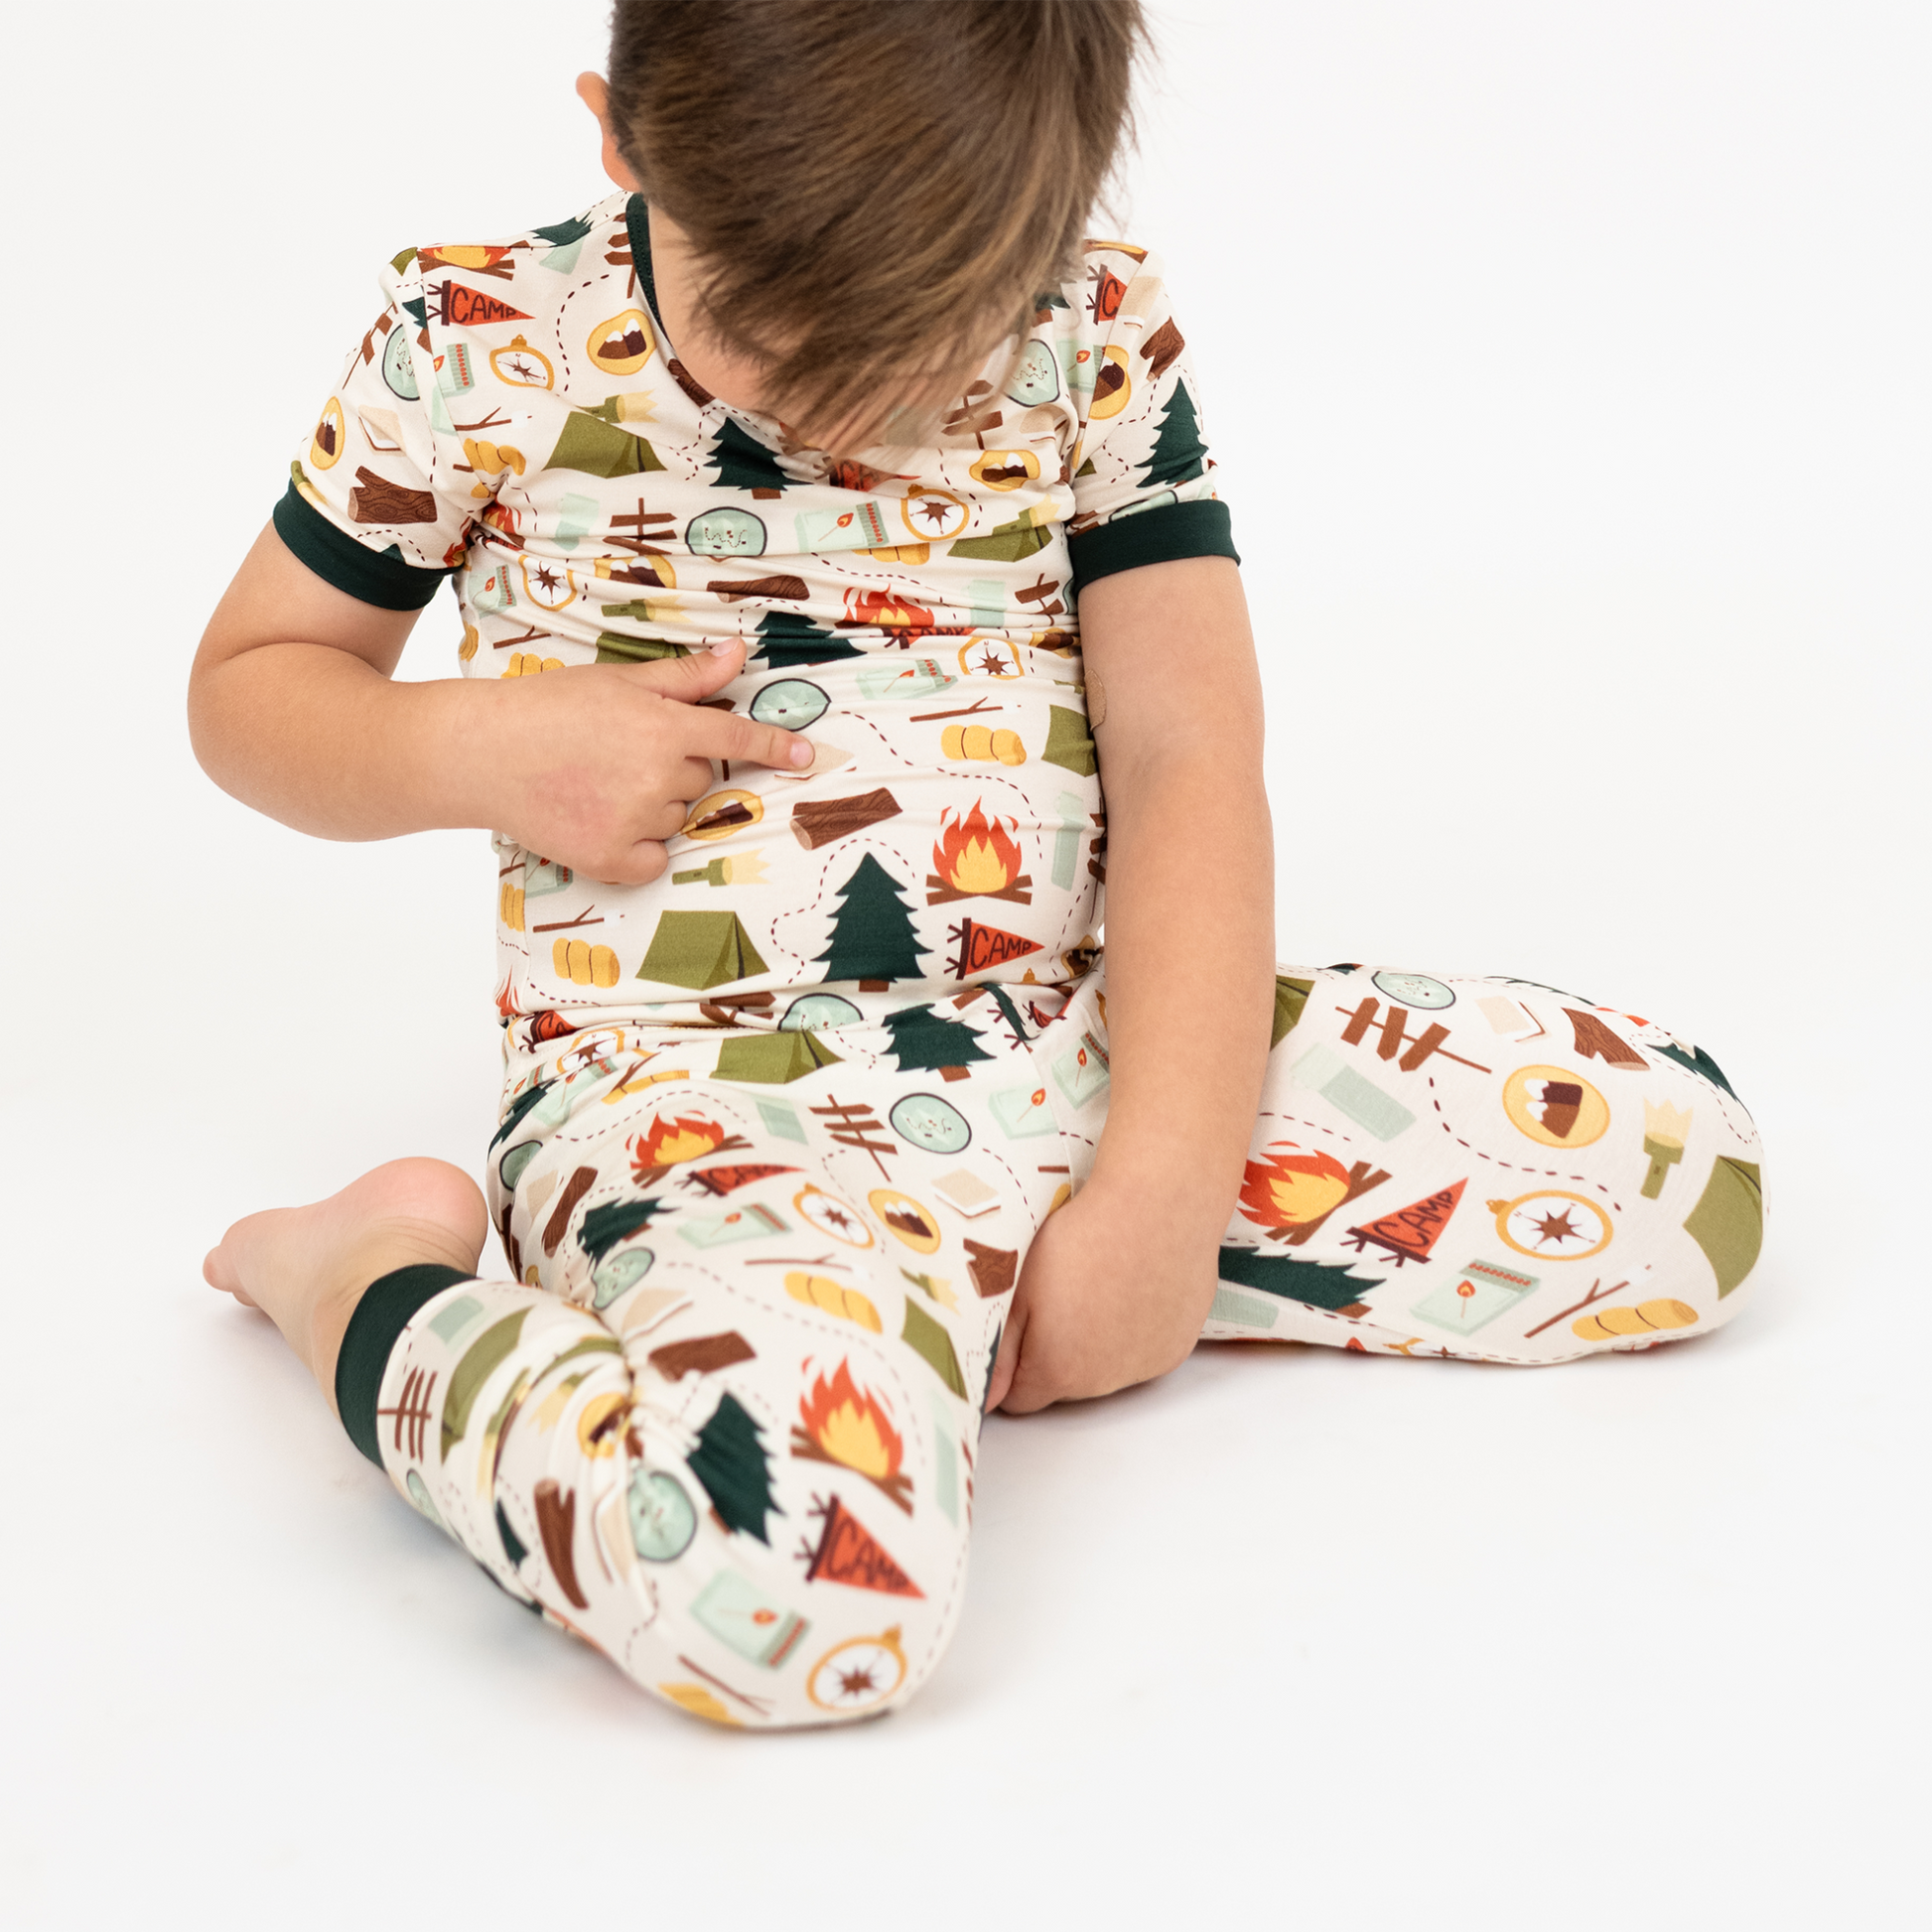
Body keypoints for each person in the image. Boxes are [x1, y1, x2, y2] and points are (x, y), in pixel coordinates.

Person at [191, 0, 1764, 1729]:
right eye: (768, 332)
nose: (837, 402)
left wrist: (1158, 1196)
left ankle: (972, 1286)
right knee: (784, 1598)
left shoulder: (1086, 321)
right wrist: (476, 744)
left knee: (1690, 1172)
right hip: (696, 1110)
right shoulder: (474, 339)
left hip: (1075, 1047)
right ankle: (356, 1281)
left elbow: (1186, 758)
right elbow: (250, 692)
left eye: (923, 346)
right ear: (620, 139)